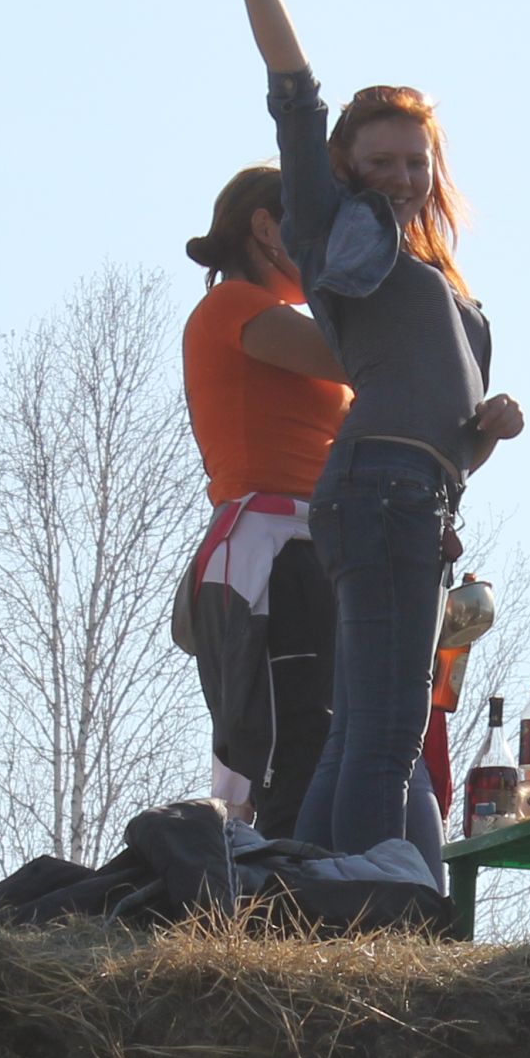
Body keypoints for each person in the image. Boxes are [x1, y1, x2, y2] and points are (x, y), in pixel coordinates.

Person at [171, 0, 525, 867]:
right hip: (369, 491)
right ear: (344, 175)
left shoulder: (449, 289)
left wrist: (488, 424)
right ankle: (376, 910)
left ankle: (316, 895)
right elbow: (294, 92)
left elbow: (449, 436)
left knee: (362, 727)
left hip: (422, 493)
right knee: (377, 730)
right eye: (379, 162)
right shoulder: (337, 240)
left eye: (415, 161)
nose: (401, 176)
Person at [178, 163, 352, 838]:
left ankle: (297, 889)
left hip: (315, 545)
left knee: (320, 727)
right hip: (272, 547)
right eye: (314, 231)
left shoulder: (279, 320)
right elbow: (352, 358)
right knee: (285, 739)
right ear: (264, 226)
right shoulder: (233, 306)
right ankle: (271, 900)